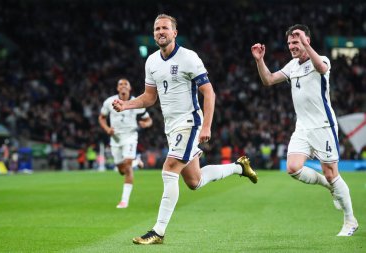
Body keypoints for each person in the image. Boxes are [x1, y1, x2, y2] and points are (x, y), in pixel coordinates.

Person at [113, 14, 258, 244]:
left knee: (169, 168)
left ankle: (158, 232)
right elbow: (150, 97)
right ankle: (239, 167)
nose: (160, 32)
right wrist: (126, 104)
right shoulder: (151, 62)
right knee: (194, 181)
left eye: (165, 28)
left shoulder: (189, 58)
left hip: (190, 123)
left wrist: (206, 125)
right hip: (171, 127)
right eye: (157, 28)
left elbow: (209, 92)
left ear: (174, 33)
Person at [251, 24, 358, 236]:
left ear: (307, 41)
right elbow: (269, 80)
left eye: (296, 41)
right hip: (302, 128)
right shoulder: (292, 66)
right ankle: (330, 188)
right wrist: (259, 60)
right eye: (290, 42)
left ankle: (350, 220)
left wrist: (307, 45)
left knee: (331, 173)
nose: (292, 46)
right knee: (293, 167)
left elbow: (321, 68)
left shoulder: (322, 59)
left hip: (323, 127)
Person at [99, 78, 153, 209]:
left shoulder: (136, 102)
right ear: (117, 88)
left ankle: (124, 201)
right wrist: (107, 129)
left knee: (127, 166)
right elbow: (101, 117)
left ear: (130, 88)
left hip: (130, 136)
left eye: (125, 84)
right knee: (121, 170)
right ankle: (137, 161)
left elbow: (149, 120)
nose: (123, 86)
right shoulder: (109, 102)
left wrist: (145, 124)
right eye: (120, 84)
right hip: (115, 139)